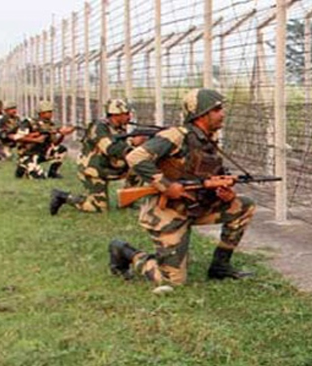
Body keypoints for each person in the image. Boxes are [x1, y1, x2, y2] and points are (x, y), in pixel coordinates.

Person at [107, 88, 256, 292]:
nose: (222, 114)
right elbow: (135, 157)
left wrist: (225, 193)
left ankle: (220, 266)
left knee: (243, 205)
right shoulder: (176, 136)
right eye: (217, 109)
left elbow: (204, 174)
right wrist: (166, 186)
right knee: (172, 281)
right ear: (201, 113)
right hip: (167, 213)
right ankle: (125, 252)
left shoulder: (208, 139)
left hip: (194, 206)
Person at [49, 98, 147, 215]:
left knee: (139, 166)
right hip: (93, 170)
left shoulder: (118, 127)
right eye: (126, 114)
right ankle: (62, 197)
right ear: (116, 115)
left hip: (110, 166)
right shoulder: (99, 127)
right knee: (98, 208)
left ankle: (127, 202)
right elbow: (110, 149)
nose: (129, 116)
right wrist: (132, 142)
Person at [14, 101, 74, 179]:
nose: (51, 114)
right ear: (41, 113)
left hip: (42, 152)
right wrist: (36, 140)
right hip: (28, 154)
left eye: (51, 112)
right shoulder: (29, 122)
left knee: (61, 149)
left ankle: (53, 172)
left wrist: (62, 134)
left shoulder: (50, 125)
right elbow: (18, 137)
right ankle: (23, 167)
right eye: (48, 112)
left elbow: (55, 143)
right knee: (38, 177)